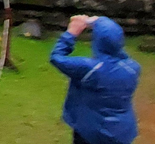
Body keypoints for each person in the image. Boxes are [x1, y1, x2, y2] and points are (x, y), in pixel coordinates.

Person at [50, 14, 141, 144]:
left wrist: (72, 32)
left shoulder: (89, 69)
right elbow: (115, 49)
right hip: (122, 131)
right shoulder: (133, 68)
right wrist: (99, 22)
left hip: (91, 131)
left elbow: (56, 57)